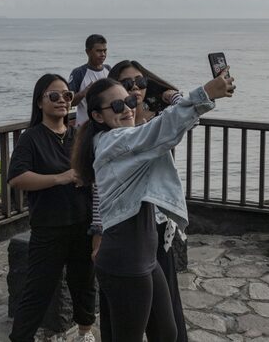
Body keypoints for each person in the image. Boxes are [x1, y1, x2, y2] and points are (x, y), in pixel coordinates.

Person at [72, 71, 234, 342]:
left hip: (145, 255)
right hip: (125, 259)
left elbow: (166, 128)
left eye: (129, 101)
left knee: (166, 333)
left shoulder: (127, 139)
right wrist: (205, 93)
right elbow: (160, 130)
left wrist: (192, 101)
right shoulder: (113, 142)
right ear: (98, 116)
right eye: (117, 105)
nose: (127, 109)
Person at [7, 74, 96, 342]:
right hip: (49, 227)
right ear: (39, 102)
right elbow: (17, 178)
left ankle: (85, 334)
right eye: (54, 96)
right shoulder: (31, 138)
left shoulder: (78, 135)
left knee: (84, 284)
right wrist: (61, 178)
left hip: (82, 223)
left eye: (67, 95)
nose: (62, 101)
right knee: (38, 289)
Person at [106, 59, 187, 342]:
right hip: (127, 225)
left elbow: (188, 111)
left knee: (166, 303)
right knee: (126, 309)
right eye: (127, 84)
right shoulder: (114, 128)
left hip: (157, 220)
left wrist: (170, 95)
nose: (135, 89)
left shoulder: (157, 118)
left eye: (141, 82)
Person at [68, 34, 110, 126]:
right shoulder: (78, 73)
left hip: (106, 125)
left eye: (105, 51)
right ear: (88, 52)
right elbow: (68, 102)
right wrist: (83, 93)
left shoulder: (109, 70)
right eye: (99, 51)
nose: (103, 54)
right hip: (84, 127)